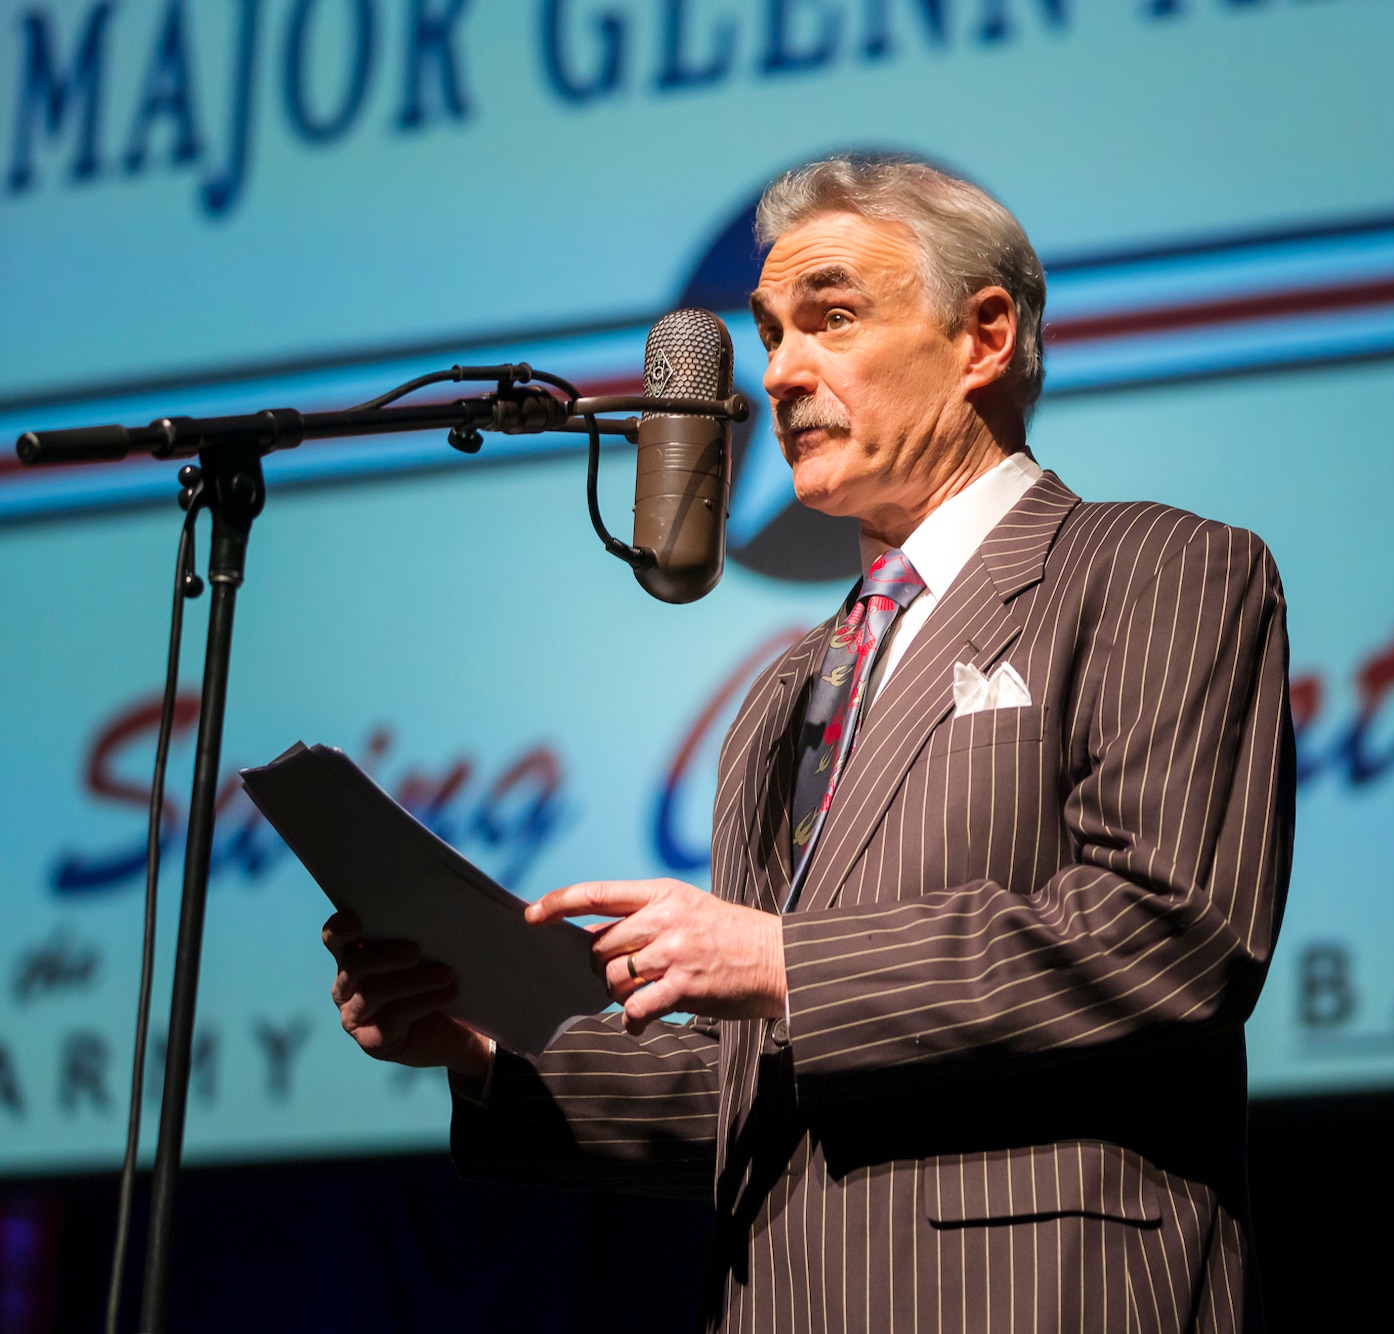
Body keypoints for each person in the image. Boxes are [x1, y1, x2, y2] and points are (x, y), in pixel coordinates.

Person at [323, 153, 1295, 1332]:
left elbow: (1170, 930)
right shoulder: (790, 685)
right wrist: (477, 1043)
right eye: (772, 331)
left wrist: (783, 959)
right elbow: (757, 1087)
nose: (779, 373)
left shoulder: (1154, 568)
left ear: (983, 335)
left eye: (831, 318)